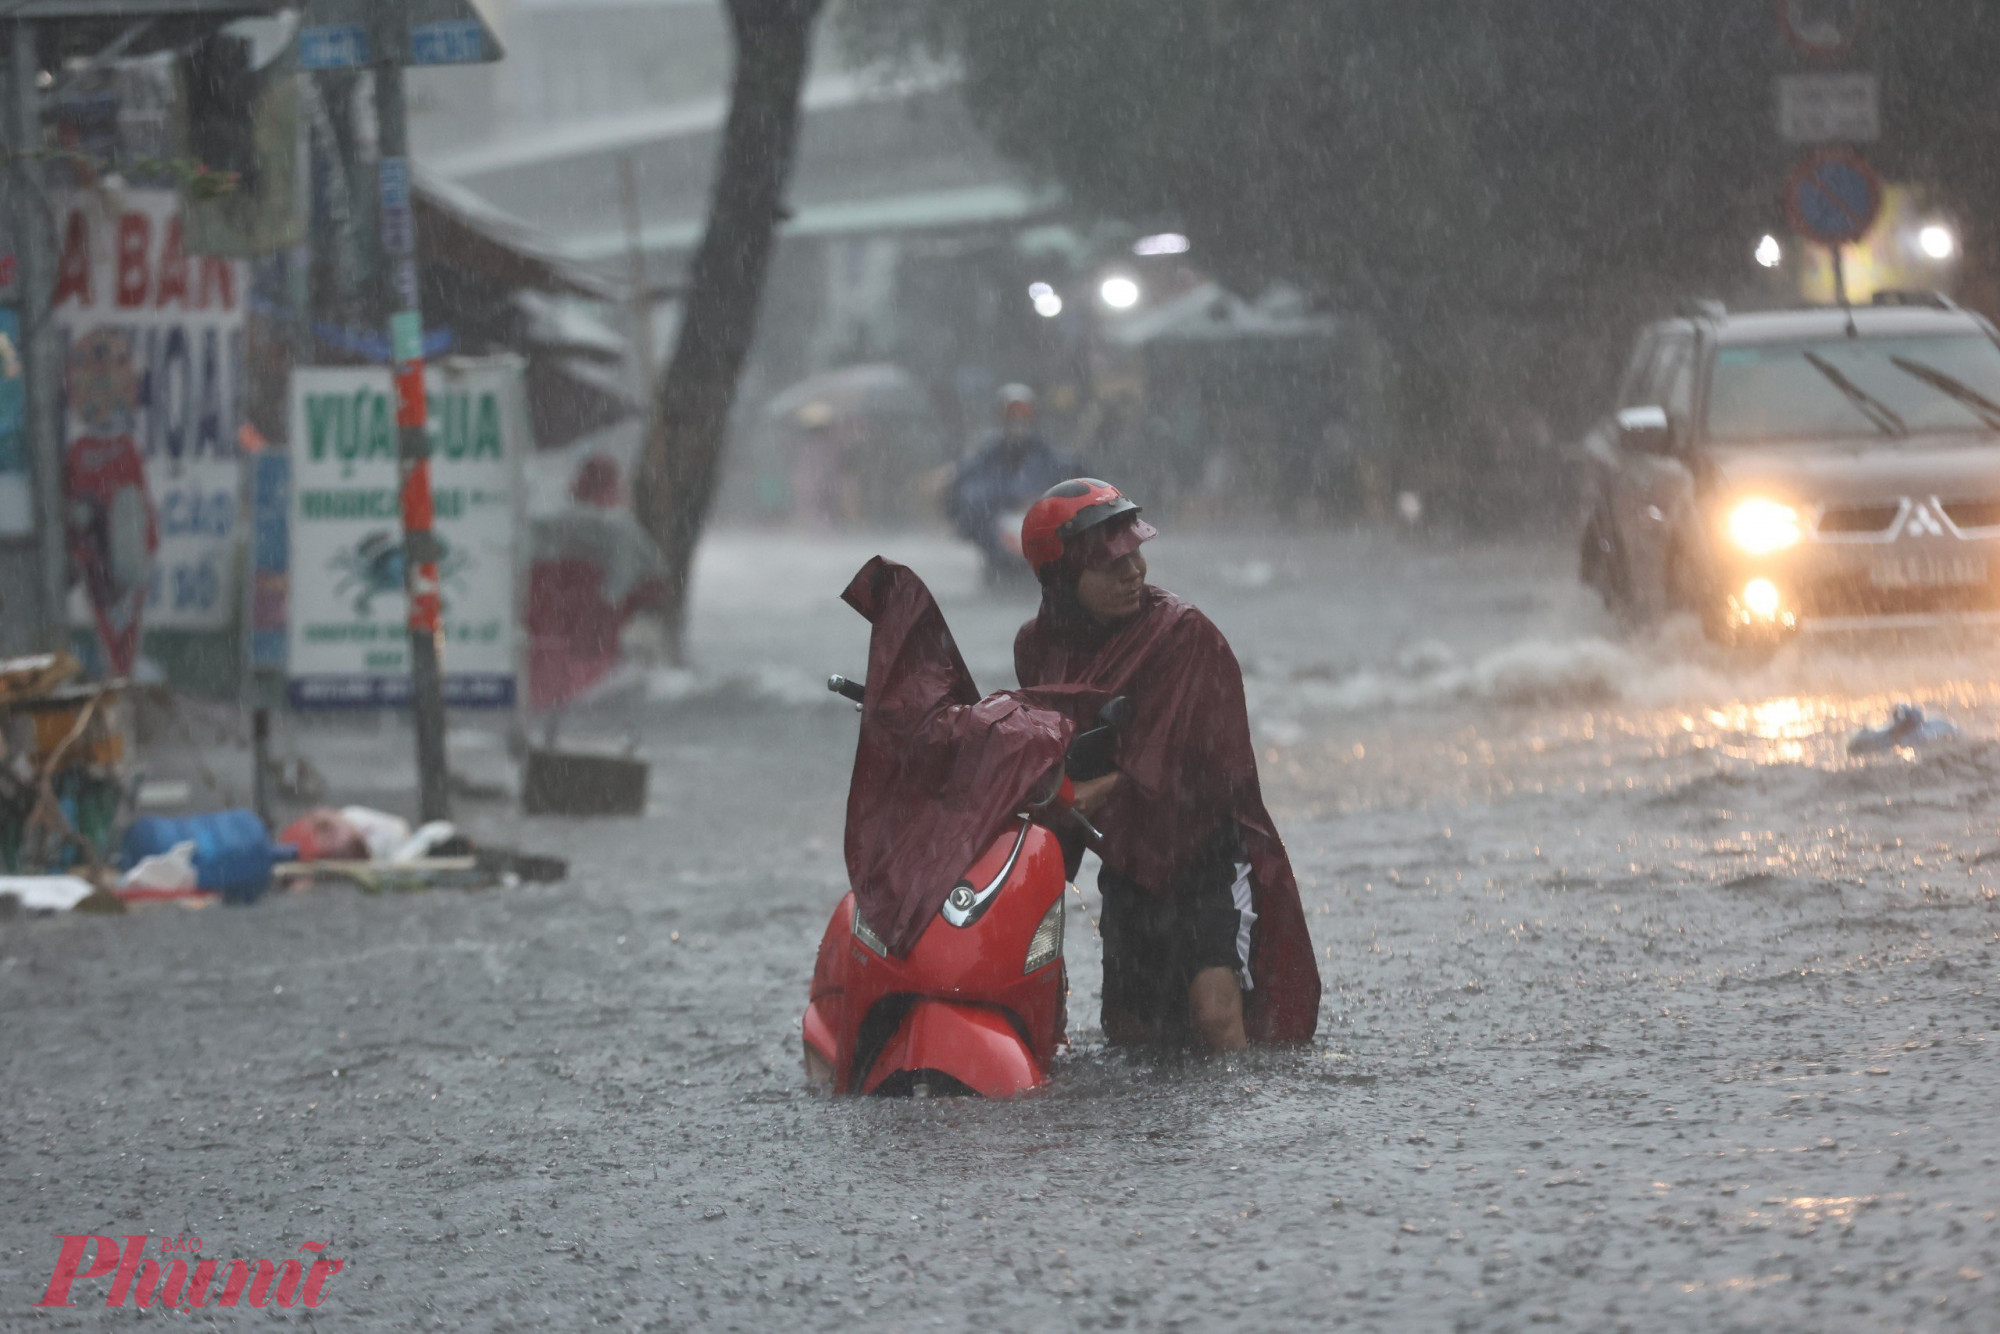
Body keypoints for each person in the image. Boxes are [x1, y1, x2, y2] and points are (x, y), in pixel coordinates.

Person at [1013, 479, 1321, 1049]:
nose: (1134, 573)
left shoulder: (1181, 635)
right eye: (1111, 565)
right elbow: (1043, 744)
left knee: (1214, 1017)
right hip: (1126, 861)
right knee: (1129, 1033)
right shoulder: (1036, 647)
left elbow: (1162, 767)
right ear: (1061, 580)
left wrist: (1068, 798)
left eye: (1135, 554)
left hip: (1202, 851)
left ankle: (1245, 1128)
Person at [945, 385, 1078, 579]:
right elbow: (967, 495)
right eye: (1011, 413)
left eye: (1023, 413)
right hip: (998, 553)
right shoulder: (983, 458)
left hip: (1044, 551)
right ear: (1001, 417)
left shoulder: (1055, 459)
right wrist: (1005, 504)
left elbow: (1073, 493)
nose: (1018, 420)